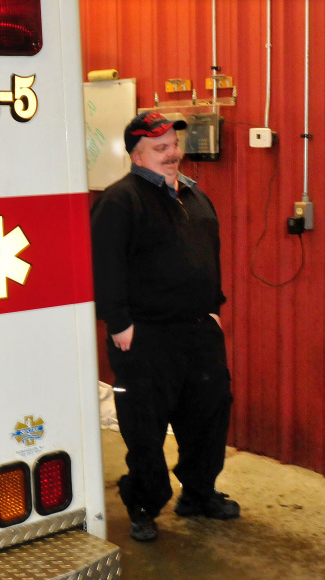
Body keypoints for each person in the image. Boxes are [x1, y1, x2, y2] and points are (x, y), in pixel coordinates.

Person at [90, 111, 239, 543]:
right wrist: (119, 324)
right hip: (145, 335)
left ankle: (199, 492)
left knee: (208, 416)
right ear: (137, 154)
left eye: (173, 145)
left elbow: (208, 255)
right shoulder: (120, 201)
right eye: (160, 148)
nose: (172, 153)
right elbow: (106, 266)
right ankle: (143, 505)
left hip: (198, 330)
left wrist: (213, 308)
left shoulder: (193, 195)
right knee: (145, 427)